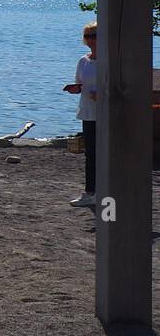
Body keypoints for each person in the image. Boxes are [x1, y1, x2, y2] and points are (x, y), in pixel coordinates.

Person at [63, 21, 98, 207]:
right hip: (87, 111)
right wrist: (75, 89)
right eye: (88, 36)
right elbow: (80, 84)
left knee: (106, 153)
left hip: (106, 113)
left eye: (95, 36)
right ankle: (90, 191)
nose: (91, 40)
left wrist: (102, 94)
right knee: (90, 153)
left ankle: (104, 190)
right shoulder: (83, 61)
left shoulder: (109, 61)